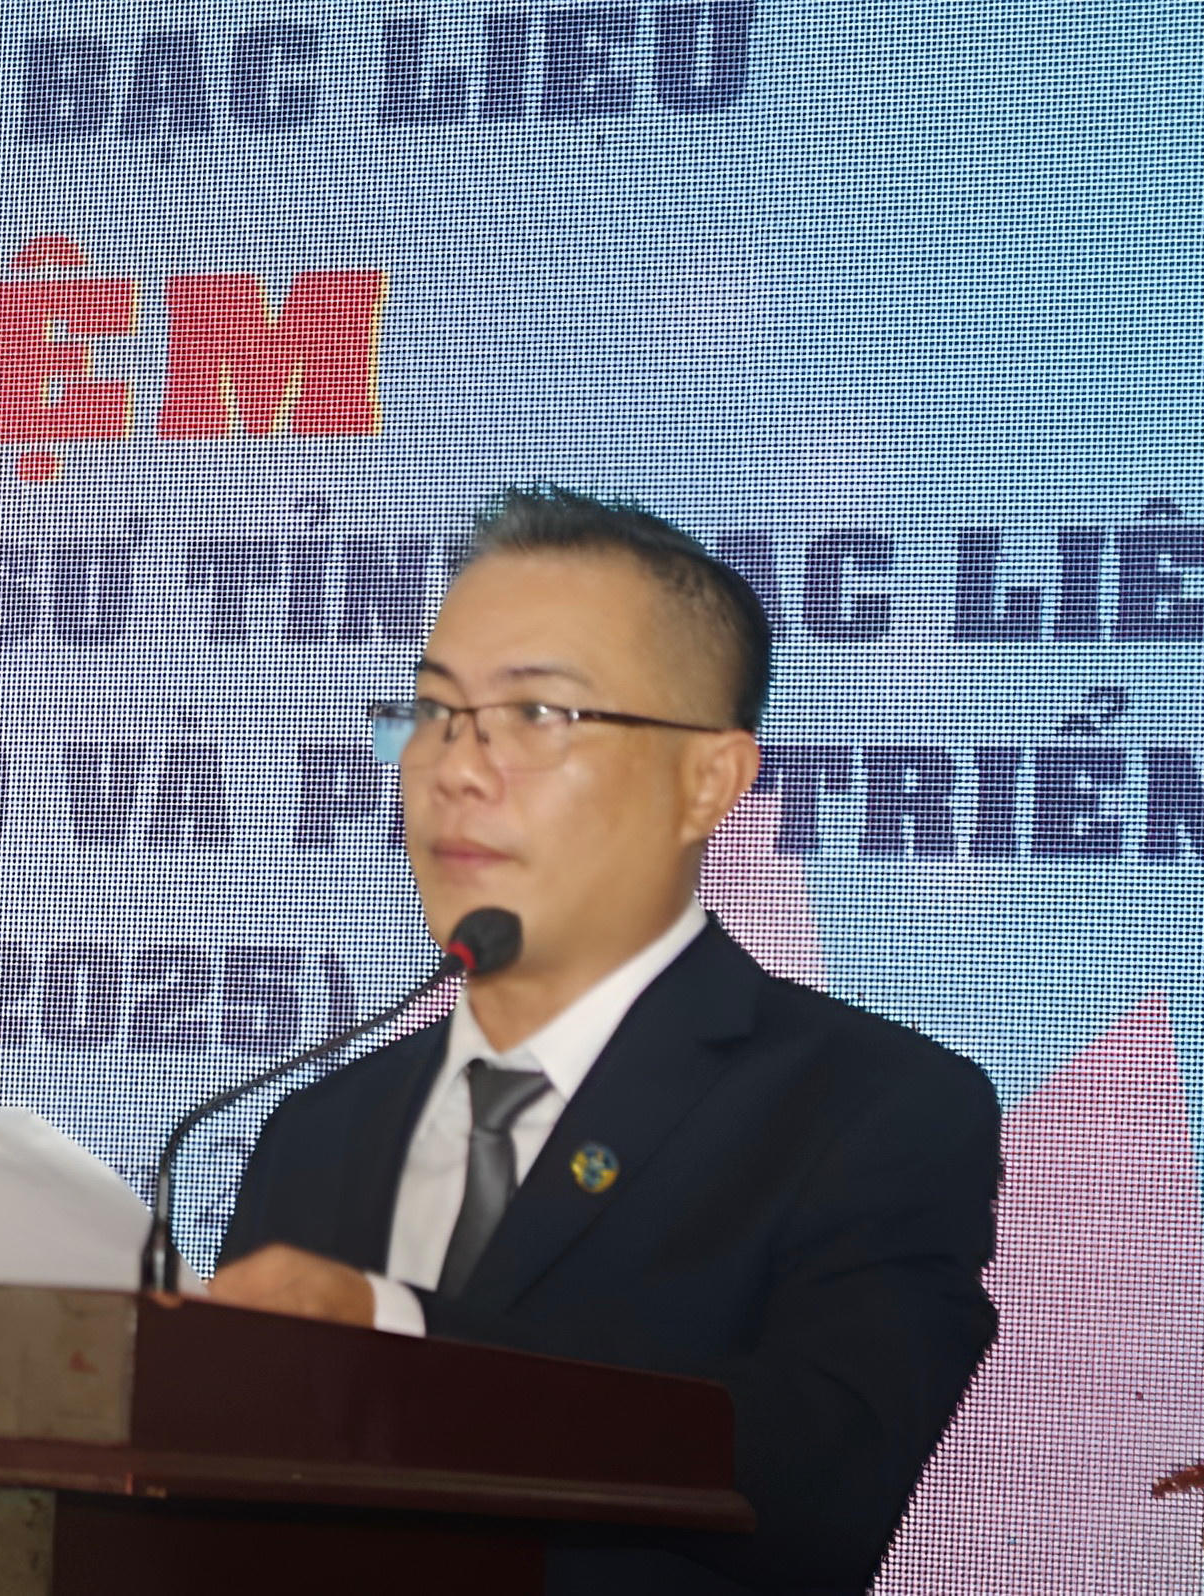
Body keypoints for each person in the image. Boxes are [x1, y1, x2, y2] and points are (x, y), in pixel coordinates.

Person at [211, 485, 999, 1596]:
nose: (456, 767)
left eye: (536, 714)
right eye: (435, 709)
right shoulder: (318, 1131)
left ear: (707, 783)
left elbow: (816, 1487)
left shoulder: (867, 1109)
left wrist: (394, 1333)